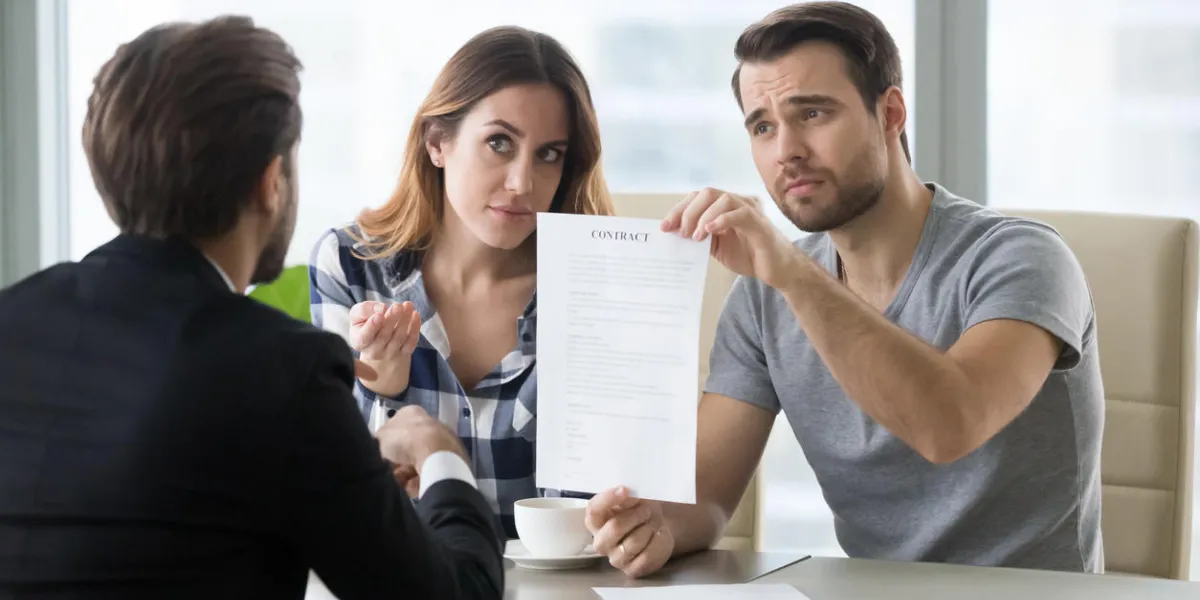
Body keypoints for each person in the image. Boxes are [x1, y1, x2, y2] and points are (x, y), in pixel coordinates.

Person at [585, 1, 1104, 578]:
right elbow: (706, 498)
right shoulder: (764, 298)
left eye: (812, 113)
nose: (786, 150)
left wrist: (788, 270)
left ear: (891, 113)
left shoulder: (1022, 258)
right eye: (763, 126)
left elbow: (948, 424)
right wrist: (654, 522)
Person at [0, 16, 503, 599]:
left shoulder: (12, 320)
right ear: (272, 181)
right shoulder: (279, 368)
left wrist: (353, 457)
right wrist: (442, 458)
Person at [309, 26, 612, 538]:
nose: (522, 183)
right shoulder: (351, 264)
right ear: (437, 143)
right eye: (499, 143)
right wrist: (383, 389)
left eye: (549, 154)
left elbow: (599, 509)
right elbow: (337, 496)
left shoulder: (596, 286)